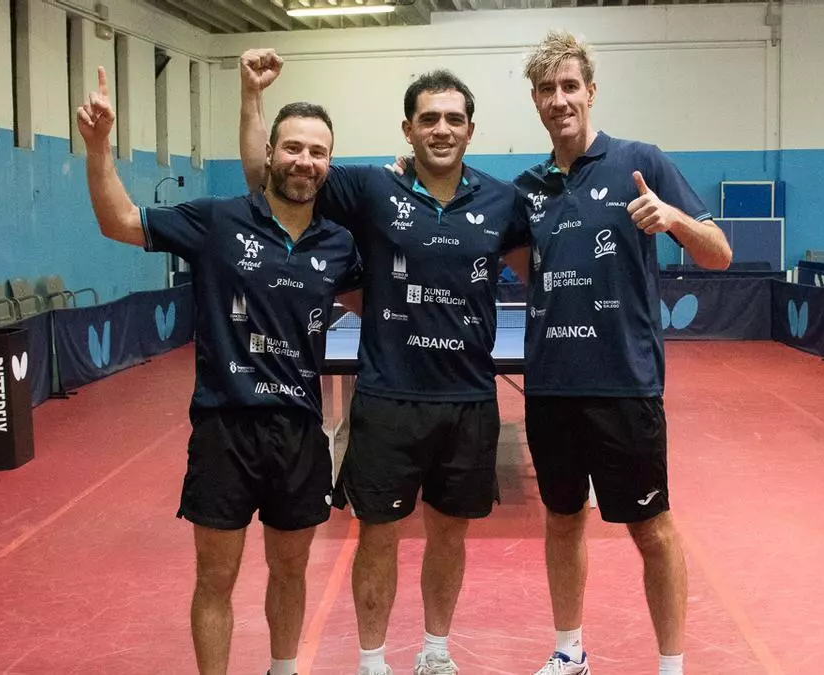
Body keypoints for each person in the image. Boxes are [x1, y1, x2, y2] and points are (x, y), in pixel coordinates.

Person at [240, 50, 529, 675]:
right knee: (378, 534)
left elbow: (549, 266)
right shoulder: (372, 188)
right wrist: (252, 96)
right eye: (429, 119)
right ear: (408, 129)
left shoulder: (503, 201)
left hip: (469, 401)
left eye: (454, 119)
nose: (442, 129)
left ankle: (436, 651)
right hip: (388, 397)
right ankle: (372, 661)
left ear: (471, 130)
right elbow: (265, 175)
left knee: (450, 534)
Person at [76, 65, 362, 675]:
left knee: (290, 570)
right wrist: (98, 149)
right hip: (223, 429)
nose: (304, 161)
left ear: (329, 164)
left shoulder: (340, 245)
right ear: (269, 154)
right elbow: (117, 220)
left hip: (299, 431)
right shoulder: (218, 220)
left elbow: (385, 307)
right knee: (215, 577)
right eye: (293, 147)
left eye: (317, 152)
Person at [512, 31, 733, 675]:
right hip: (550, 387)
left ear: (591, 91)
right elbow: (531, 269)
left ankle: (672, 666)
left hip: (625, 385)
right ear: (536, 100)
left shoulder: (642, 161)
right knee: (561, 520)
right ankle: (569, 651)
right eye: (547, 90)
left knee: (652, 527)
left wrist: (673, 219)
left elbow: (719, 253)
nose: (560, 100)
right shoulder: (525, 189)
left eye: (569, 86)